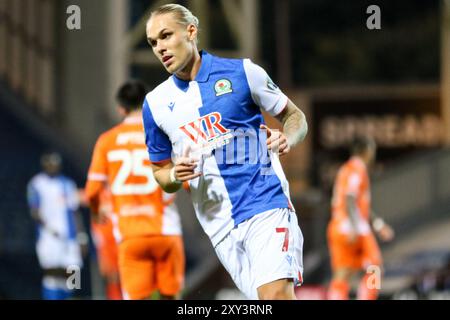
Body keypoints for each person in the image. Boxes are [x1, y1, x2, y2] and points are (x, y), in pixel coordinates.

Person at [143, 4, 308, 300]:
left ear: (190, 31)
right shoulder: (155, 104)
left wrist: (288, 138)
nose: (160, 48)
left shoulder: (243, 72)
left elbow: (295, 117)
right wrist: (173, 174)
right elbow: (161, 174)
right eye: (153, 42)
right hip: (219, 227)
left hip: (265, 204)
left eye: (166, 36)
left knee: (275, 297)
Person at [84, 80, 185, 300]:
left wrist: (95, 210)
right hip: (165, 230)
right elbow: (185, 180)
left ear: (121, 108)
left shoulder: (107, 141)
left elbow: (92, 191)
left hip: (130, 235)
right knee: (171, 297)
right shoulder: (162, 133)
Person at [327, 136, 395, 300]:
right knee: (376, 268)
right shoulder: (358, 169)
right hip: (353, 227)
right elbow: (350, 197)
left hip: (337, 226)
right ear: (368, 151)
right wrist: (354, 226)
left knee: (342, 274)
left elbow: (357, 202)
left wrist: (378, 224)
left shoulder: (344, 169)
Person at [27, 152, 87, 300]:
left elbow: (75, 212)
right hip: (49, 237)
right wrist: (48, 229)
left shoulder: (68, 183)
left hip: (70, 237)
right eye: (50, 164)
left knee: (74, 272)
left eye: (55, 164)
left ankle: (71, 296)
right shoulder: (36, 183)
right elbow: (34, 211)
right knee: (53, 275)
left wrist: (82, 236)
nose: (53, 167)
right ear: (44, 164)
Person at [79, 188, 122, 300]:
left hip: (119, 239)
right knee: (111, 276)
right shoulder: (97, 192)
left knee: (124, 274)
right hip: (105, 242)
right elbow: (81, 197)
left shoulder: (118, 190)